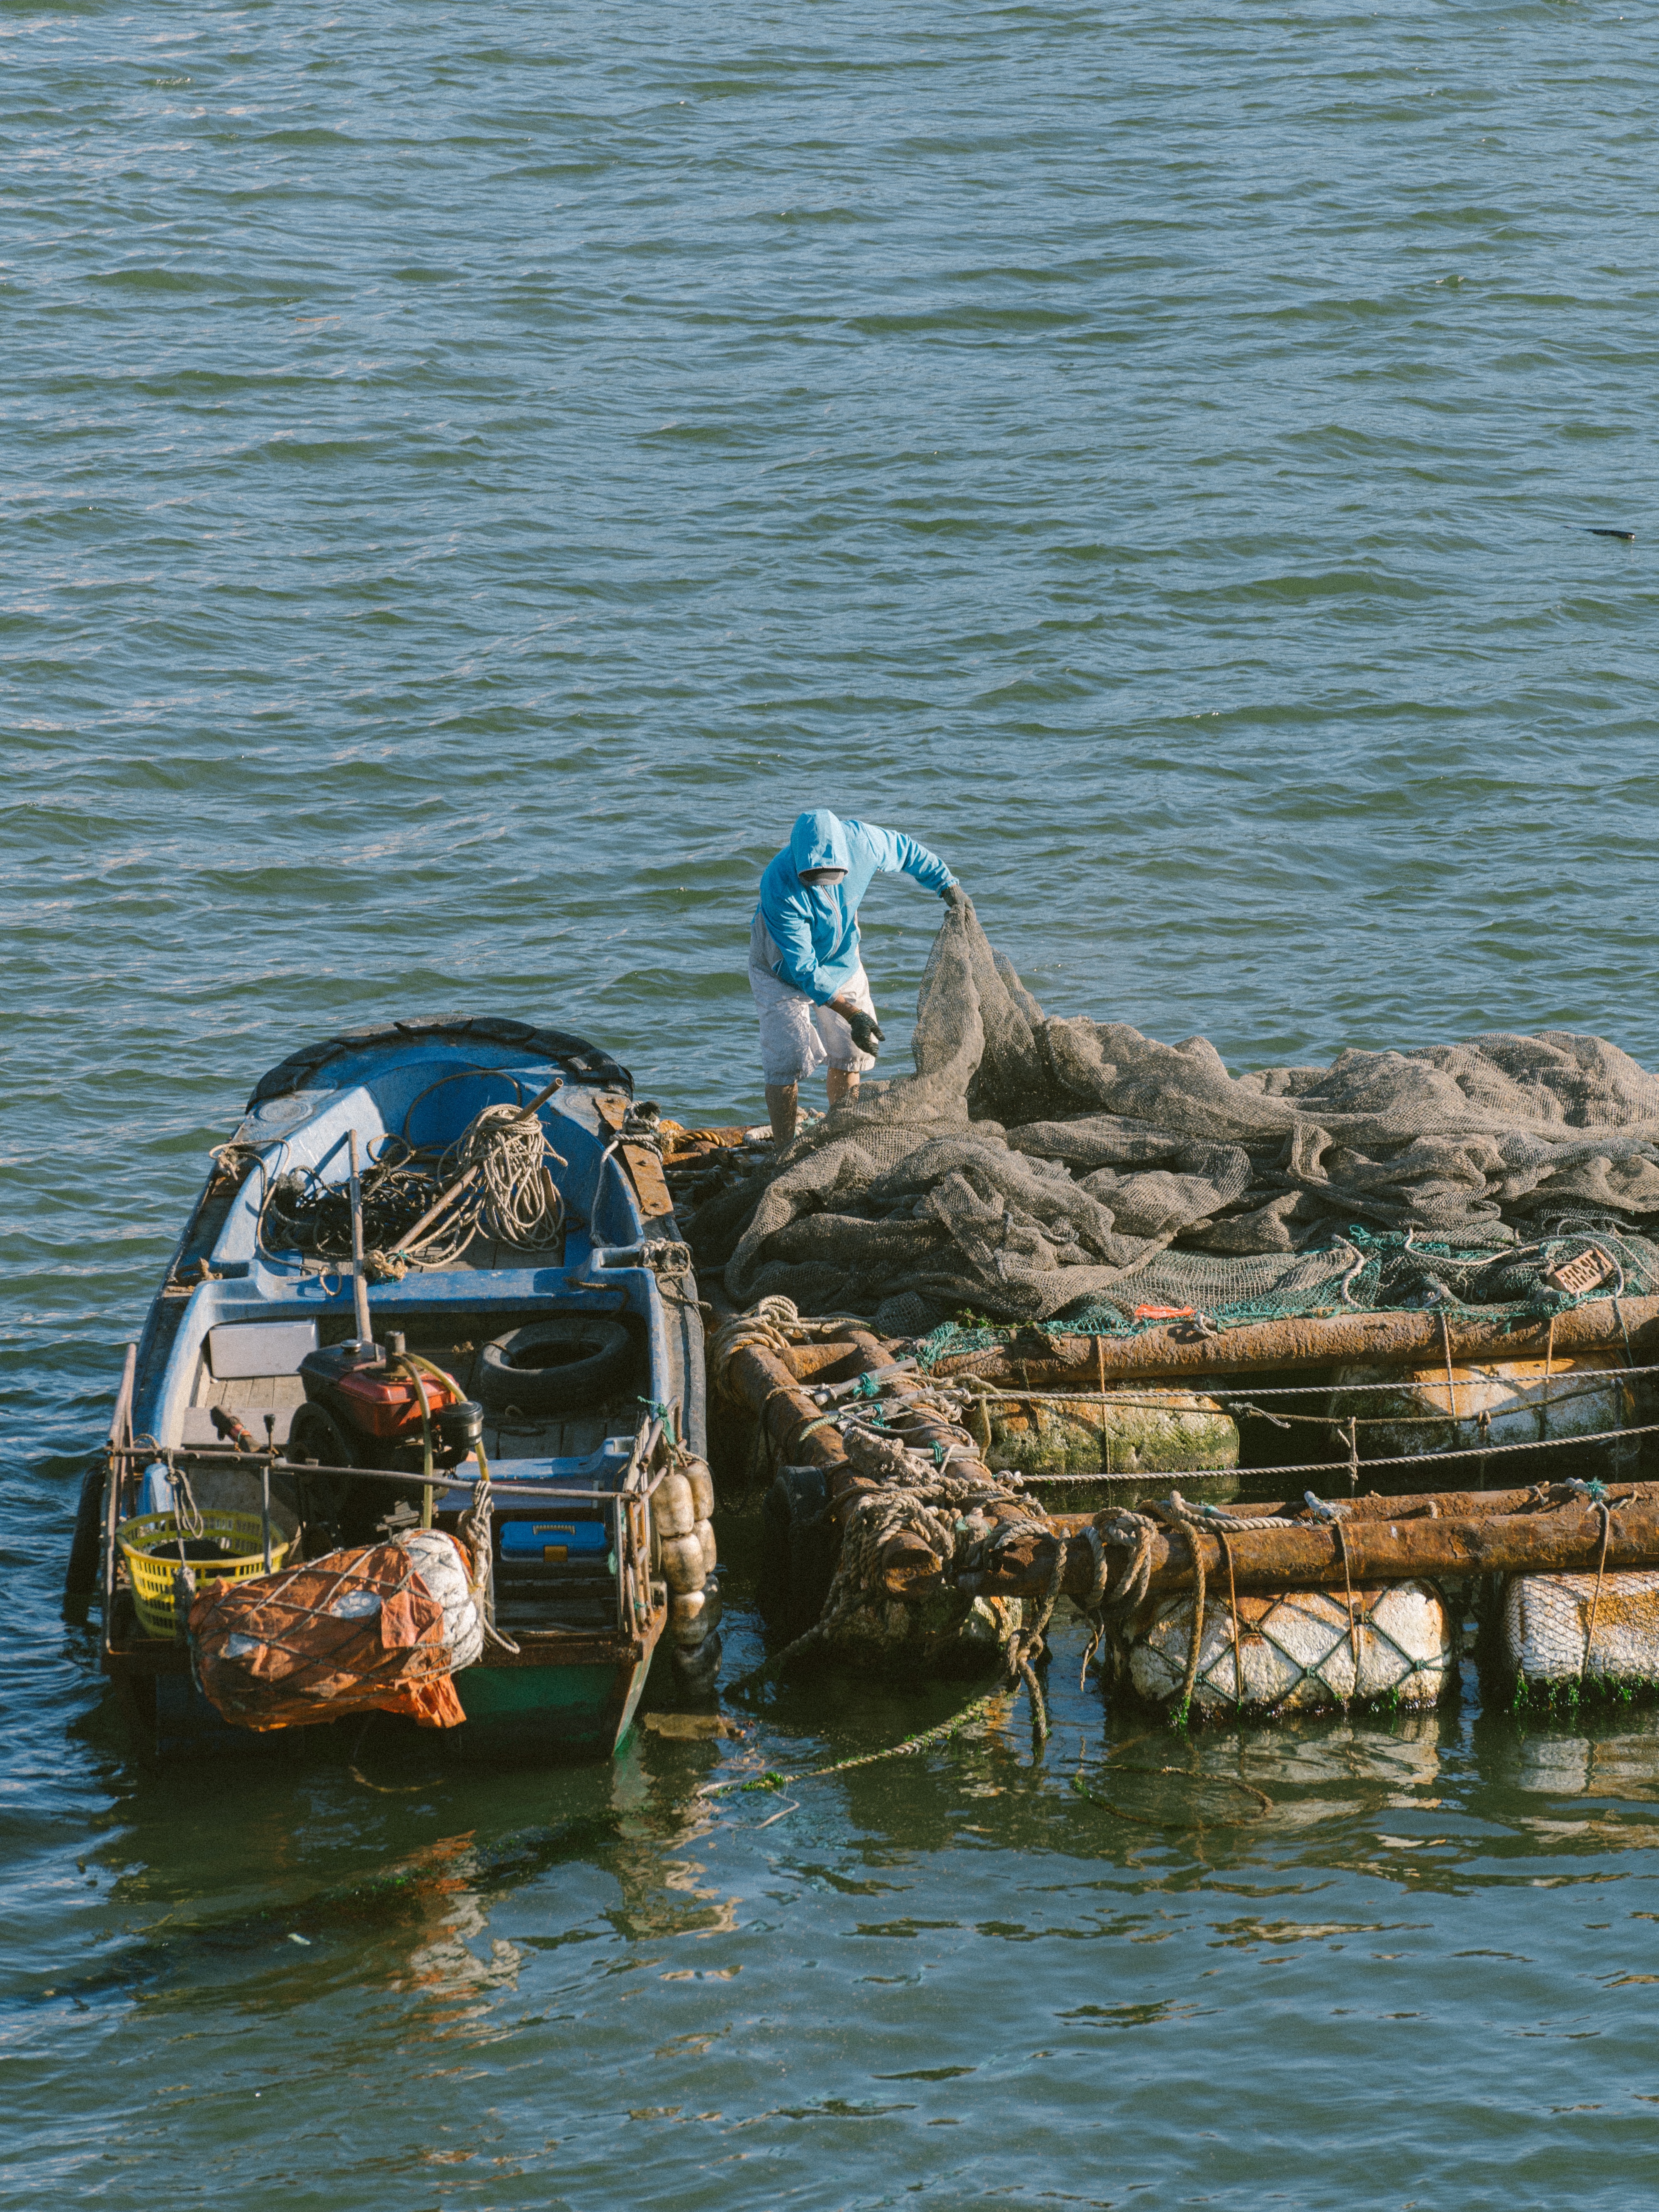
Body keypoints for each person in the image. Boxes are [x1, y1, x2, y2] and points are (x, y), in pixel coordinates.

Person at [749, 808, 968, 1147]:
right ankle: (783, 1150)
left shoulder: (863, 842)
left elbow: (907, 850)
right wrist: (853, 1014)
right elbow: (804, 969)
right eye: (813, 875)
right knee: (786, 1061)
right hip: (782, 971)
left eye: (832, 872)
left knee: (851, 1052)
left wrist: (946, 883)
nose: (823, 880)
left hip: (841, 960)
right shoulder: (777, 885)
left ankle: (841, 1140)